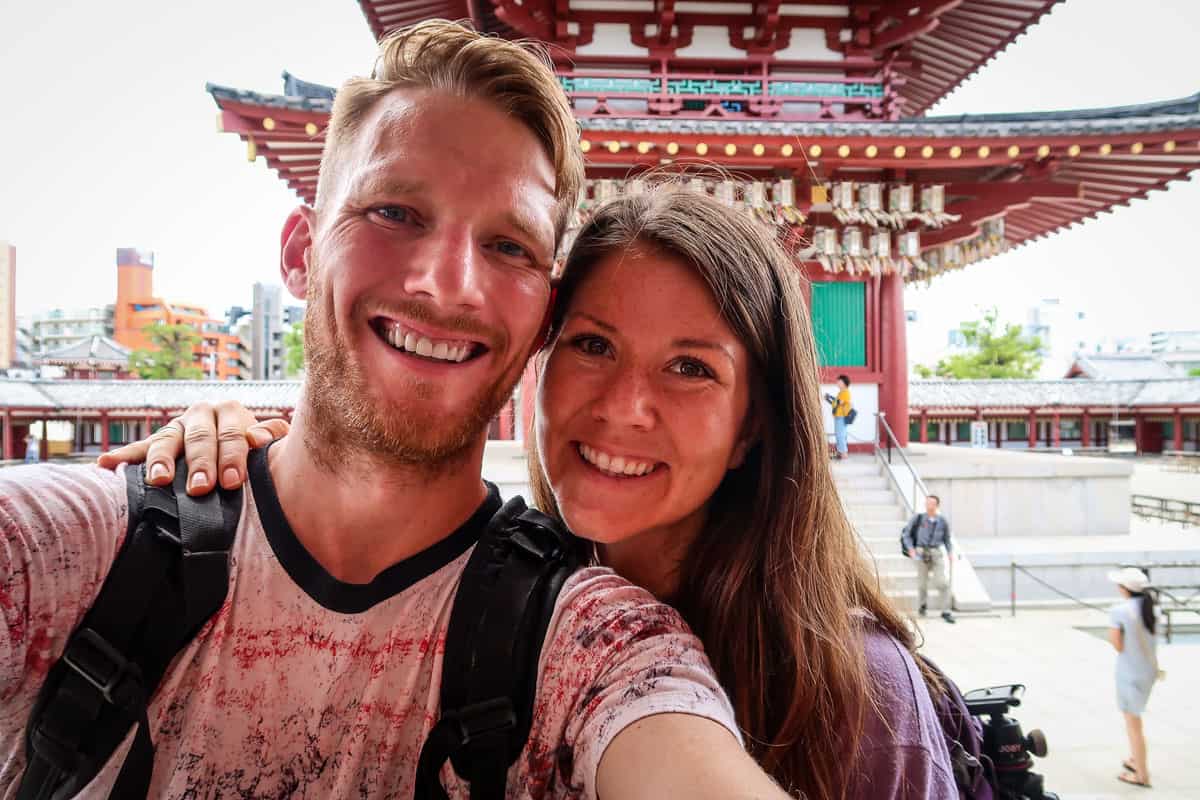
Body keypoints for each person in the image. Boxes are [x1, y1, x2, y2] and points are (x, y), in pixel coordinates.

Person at [0, 23, 786, 800]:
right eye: (395, 214)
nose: (447, 285)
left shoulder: (590, 643)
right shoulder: (76, 554)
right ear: (301, 252)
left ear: (543, 313)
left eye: (509, 245)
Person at [115, 183, 959, 798]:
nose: (625, 407)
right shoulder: (498, 603)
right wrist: (232, 465)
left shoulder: (858, 691)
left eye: (691, 368)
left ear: (754, 428)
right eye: (592, 346)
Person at [1107, 566, 1159, 789]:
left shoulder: (1120, 611)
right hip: (1149, 671)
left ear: (1124, 589)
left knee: (1133, 724)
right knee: (1135, 720)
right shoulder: (1152, 608)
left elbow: (1117, 644)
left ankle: (1142, 774)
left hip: (1129, 672)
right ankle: (1134, 759)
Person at [903, 494, 956, 623]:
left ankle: (946, 611)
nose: (929, 505)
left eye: (932, 503)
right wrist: (911, 548)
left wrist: (950, 552)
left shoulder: (942, 521)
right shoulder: (918, 518)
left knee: (942, 582)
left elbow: (947, 539)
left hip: (936, 553)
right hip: (921, 552)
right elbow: (907, 534)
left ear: (937, 506)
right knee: (922, 583)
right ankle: (922, 605)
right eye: (927, 503)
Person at [826, 374, 852, 459]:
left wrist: (830, 398)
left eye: (839, 381)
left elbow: (838, 403)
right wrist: (829, 398)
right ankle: (841, 452)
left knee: (840, 435)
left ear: (844, 383)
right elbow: (836, 402)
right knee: (839, 434)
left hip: (841, 417)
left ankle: (843, 453)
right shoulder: (841, 393)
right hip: (838, 416)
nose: (837, 383)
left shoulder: (845, 392)